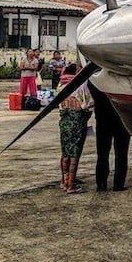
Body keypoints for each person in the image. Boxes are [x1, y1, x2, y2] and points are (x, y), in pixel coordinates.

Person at [88, 81, 132, 192]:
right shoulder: (121, 82)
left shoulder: (96, 82)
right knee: (121, 154)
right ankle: (118, 184)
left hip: (103, 121)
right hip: (121, 121)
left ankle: (101, 185)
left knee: (102, 154)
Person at [57, 64, 94, 194]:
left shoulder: (61, 85)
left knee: (65, 152)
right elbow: (88, 104)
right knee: (75, 154)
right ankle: (71, 185)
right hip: (77, 122)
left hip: (64, 121)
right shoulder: (81, 85)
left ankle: (64, 181)